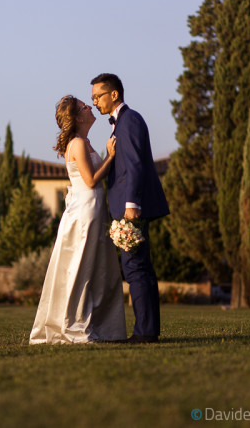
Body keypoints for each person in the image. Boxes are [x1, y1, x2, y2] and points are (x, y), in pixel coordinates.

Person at [29, 95, 127, 345]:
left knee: (95, 269)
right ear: (78, 117)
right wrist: (110, 156)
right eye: (84, 106)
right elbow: (91, 180)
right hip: (86, 212)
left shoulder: (84, 141)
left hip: (92, 208)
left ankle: (97, 324)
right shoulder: (78, 144)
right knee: (82, 268)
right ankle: (74, 326)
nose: (89, 106)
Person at [91, 73, 169, 344]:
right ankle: (148, 330)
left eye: (98, 96)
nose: (95, 102)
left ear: (114, 94)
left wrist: (131, 205)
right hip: (127, 208)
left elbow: (135, 165)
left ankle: (145, 333)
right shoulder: (119, 124)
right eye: (92, 98)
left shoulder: (130, 120)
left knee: (135, 268)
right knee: (139, 268)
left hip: (131, 209)